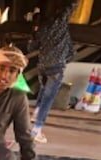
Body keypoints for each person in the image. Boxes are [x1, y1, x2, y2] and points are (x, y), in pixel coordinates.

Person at [32, 0, 78, 143]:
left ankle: (36, 113)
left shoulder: (41, 29)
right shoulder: (60, 22)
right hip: (56, 66)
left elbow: (32, 46)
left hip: (43, 64)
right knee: (49, 97)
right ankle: (37, 129)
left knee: (44, 91)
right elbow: (70, 7)